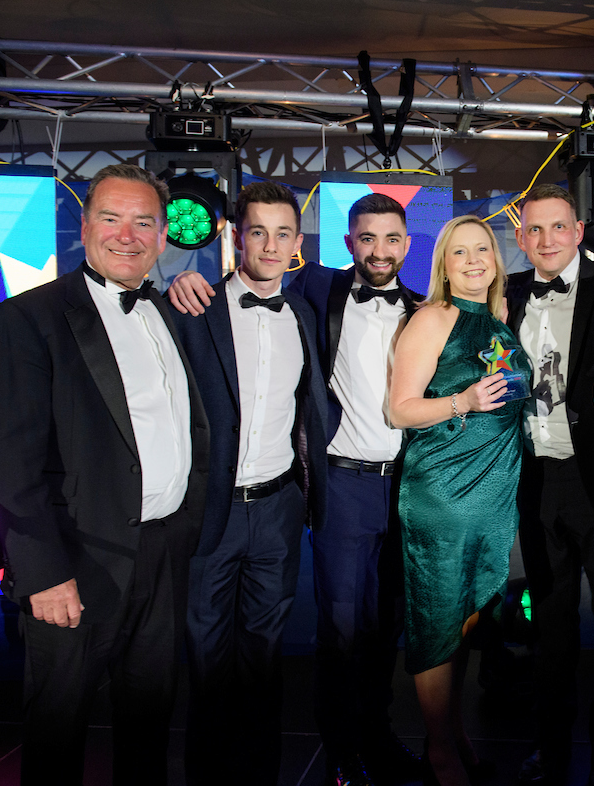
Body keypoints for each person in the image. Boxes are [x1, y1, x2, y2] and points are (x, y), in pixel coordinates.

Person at [170, 192, 424, 786]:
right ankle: (338, 752)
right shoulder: (319, 294)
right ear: (345, 245)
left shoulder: (421, 309)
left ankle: (373, 737)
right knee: (332, 629)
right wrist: (186, 276)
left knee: (381, 626)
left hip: (398, 489)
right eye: (367, 238)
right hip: (336, 485)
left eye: (392, 240)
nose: (380, 251)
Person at [0, 163, 210, 785]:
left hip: (162, 551)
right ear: (84, 228)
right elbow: (11, 461)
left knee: (149, 720)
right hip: (76, 560)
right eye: (111, 218)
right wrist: (44, 572)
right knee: (58, 728)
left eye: (144, 222)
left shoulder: (167, 311)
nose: (127, 235)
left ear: (164, 237)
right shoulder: (29, 317)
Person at [169, 181, 328, 785]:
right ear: (236, 235)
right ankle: (207, 774)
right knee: (206, 656)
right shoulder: (191, 306)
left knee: (265, 656)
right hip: (211, 510)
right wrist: (178, 280)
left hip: (279, 508)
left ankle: (260, 772)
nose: (269, 244)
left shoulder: (306, 316)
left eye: (282, 233)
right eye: (256, 230)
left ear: (297, 243)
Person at [503, 184, 594, 786]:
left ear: (580, 232)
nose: (546, 240)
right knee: (549, 625)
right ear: (520, 237)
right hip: (536, 477)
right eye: (534, 230)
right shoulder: (505, 291)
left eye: (558, 228)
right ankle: (550, 749)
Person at [389, 215, 532, 786]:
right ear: (443, 266)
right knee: (438, 623)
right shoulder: (434, 318)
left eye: (483, 251)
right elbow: (399, 409)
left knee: (467, 620)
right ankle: (441, 752)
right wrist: (464, 402)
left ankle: (450, 735)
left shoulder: (498, 320)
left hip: (493, 495)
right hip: (444, 493)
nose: (474, 261)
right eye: (460, 253)